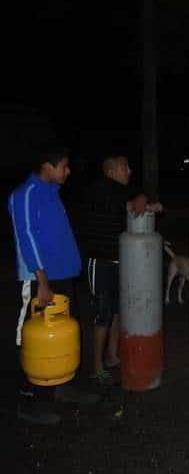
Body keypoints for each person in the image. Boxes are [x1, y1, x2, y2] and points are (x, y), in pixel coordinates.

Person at [8, 142, 99, 425]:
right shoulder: (25, 195)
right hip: (40, 279)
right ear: (48, 166)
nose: (68, 171)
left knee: (61, 333)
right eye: (64, 166)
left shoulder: (52, 194)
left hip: (62, 277)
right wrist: (43, 282)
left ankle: (61, 386)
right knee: (32, 335)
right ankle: (28, 399)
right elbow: (28, 239)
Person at [79, 155, 162, 386]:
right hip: (101, 261)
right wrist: (139, 202)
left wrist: (143, 198)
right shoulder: (98, 190)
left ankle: (112, 356)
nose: (130, 171)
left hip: (121, 262)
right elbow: (121, 204)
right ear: (112, 170)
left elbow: (140, 197)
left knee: (117, 311)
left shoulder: (121, 189)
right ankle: (97, 368)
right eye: (125, 167)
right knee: (103, 313)